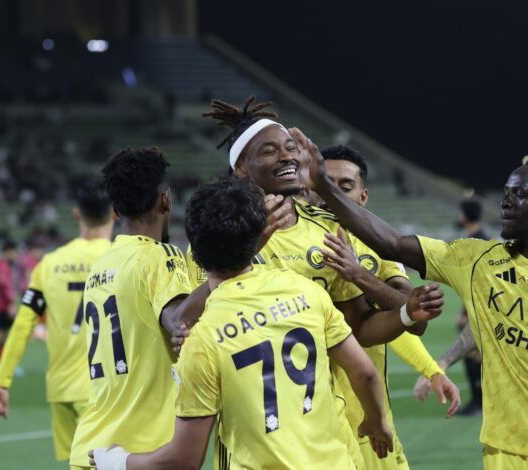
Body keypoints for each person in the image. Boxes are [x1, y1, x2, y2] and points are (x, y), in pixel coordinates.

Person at [299, 130, 528, 469]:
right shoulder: (476, 260)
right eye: (506, 193)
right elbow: (393, 244)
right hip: (504, 453)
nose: (506, 202)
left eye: (520, 194)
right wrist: (325, 188)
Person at [192, 97, 453, 469]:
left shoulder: (330, 230)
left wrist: (406, 314)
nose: (286, 156)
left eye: (290, 148)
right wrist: (246, 249)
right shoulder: (220, 236)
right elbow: (185, 325)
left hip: (331, 421)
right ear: (241, 169)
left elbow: (358, 328)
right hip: (254, 432)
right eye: (269, 150)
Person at [91, 177, 399, 470]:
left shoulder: (200, 339)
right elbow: (364, 373)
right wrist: (376, 422)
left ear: (195, 254)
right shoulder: (306, 292)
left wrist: (117, 461)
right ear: (259, 237)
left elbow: (184, 460)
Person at [319, 144, 460, 469]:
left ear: (363, 197)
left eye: (344, 186)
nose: (332, 195)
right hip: (317, 419)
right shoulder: (289, 246)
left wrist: (431, 370)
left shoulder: (376, 247)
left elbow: (404, 316)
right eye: (325, 184)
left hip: (371, 414)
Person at [68, 148, 210, 469]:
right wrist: (225, 274)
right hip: (139, 450)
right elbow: (178, 321)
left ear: (115, 210)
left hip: (92, 447)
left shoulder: (102, 264)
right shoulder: (158, 256)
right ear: (166, 200)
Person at [0, 180, 114, 462]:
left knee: (77, 464)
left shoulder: (50, 263)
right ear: (115, 212)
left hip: (61, 389)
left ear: (76, 214)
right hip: (106, 389)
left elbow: (23, 325)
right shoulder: (120, 258)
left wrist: (2, 383)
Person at [415, 200, 488, 416]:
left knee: (476, 354)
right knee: (474, 353)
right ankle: (478, 402)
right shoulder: (483, 239)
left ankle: (479, 402)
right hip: (478, 306)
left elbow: (479, 282)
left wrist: (467, 313)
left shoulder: (475, 243)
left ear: (465, 215)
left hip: (481, 308)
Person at [0, 239, 18, 364]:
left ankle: (1, 362)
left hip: (0, 304)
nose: (16, 255)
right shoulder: (3, 266)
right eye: (14, 252)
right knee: (7, 335)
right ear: (8, 251)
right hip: (3, 306)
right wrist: (10, 303)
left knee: (5, 334)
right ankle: (2, 363)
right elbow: (3, 285)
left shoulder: (1, 265)